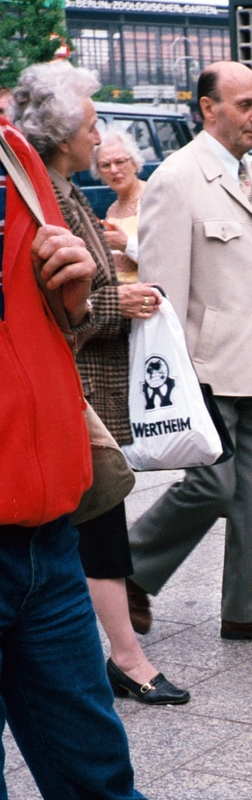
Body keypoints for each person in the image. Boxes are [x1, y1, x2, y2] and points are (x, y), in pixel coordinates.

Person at [0, 113, 252, 800]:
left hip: (46, 539)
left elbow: (61, 326)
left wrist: (74, 295)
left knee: (97, 769)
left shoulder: (15, 150)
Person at [12, 62, 188, 706]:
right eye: (90, 124)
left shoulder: (59, 189)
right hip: (77, 389)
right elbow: (64, 307)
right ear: (63, 133)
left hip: (84, 390)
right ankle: (125, 656)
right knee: (98, 520)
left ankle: (116, 653)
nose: (99, 137)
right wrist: (124, 299)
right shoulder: (50, 196)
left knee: (96, 520)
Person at [128, 61, 252, 645]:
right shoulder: (177, 178)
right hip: (204, 365)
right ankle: (128, 568)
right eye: (244, 104)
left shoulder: (246, 174)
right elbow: (161, 291)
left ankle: (250, 608)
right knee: (213, 486)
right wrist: (174, 373)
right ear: (207, 108)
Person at [95, 127, 146, 282]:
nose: (114, 170)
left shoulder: (152, 198)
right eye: (105, 165)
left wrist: (126, 244)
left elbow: (168, 259)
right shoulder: (112, 209)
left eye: (120, 162)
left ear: (135, 163)